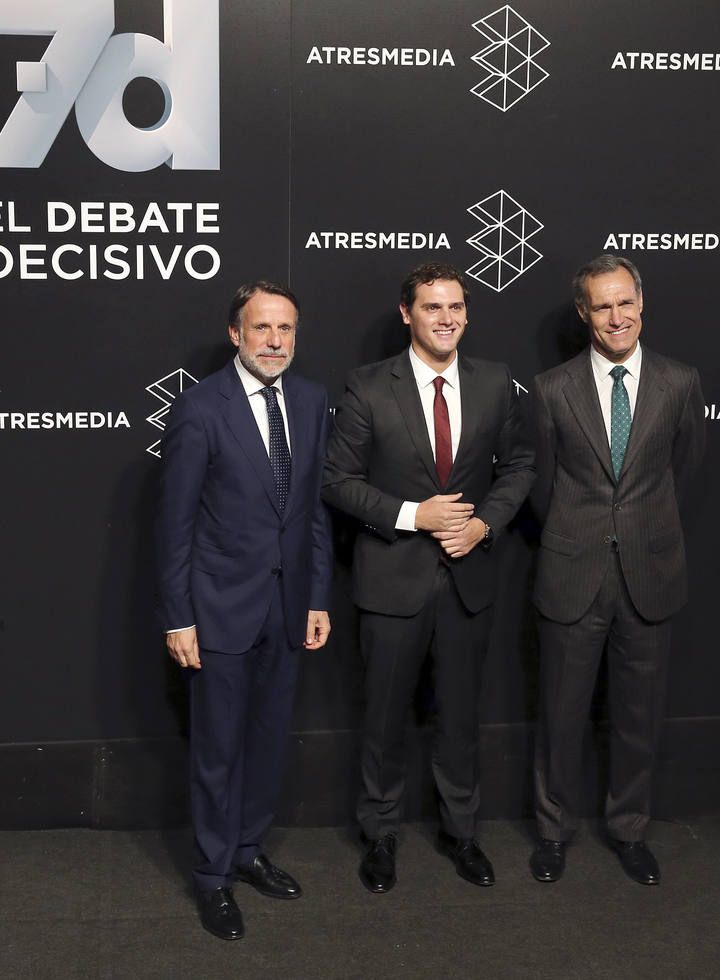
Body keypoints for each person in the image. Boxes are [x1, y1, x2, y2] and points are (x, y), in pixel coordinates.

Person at [322, 262, 534, 893]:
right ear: (407, 313)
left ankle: (461, 832)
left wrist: (484, 526)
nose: (447, 319)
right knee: (384, 718)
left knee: (462, 718)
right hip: (391, 581)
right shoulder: (367, 386)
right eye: (433, 307)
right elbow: (338, 482)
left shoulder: (495, 382)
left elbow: (520, 466)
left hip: (469, 580)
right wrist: (417, 515)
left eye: (457, 307)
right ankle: (380, 833)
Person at [156, 281, 332, 939]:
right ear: (236, 334)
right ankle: (212, 877)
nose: (275, 341)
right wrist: (179, 617)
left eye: (285, 329)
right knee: (217, 752)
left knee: (265, 744)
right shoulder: (200, 409)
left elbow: (312, 510)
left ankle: (248, 851)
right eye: (261, 328)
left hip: (287, 610)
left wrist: (317, 597)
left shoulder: (313, 402)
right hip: (218, 612)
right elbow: (173, 528)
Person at [530, 254, 705, 885]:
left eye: (624, 302)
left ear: (641, 302)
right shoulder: (552, 389)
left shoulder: (681, 382)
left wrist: (638, 531)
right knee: (561, 714)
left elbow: (682, 472)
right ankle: (552, 832)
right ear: (584, 313)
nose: (615, 317)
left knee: (639, 716)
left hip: (649, 573)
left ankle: (629, 830)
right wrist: (584, 533)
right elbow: (541, 485)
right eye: (601, 306)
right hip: (573, 572)